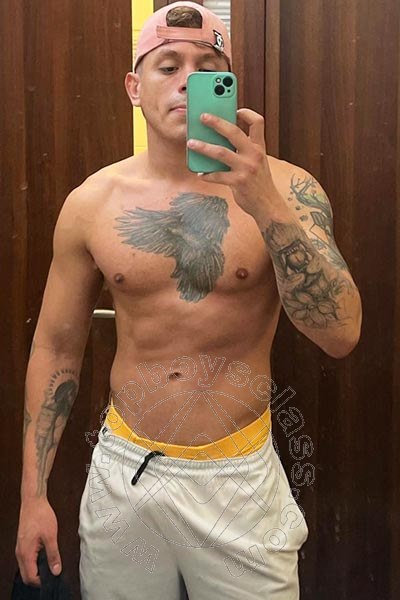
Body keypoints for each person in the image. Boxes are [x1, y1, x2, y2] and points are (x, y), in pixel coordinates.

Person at [15, 2, 362, 598]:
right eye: (168, 65)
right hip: (125, 475)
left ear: (227, 88)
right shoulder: (93, 203)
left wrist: (265, 204)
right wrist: (33, 495)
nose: (186, 81)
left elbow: (341, 334)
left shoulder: (289, 188)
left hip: (239, 479)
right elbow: (55, 348)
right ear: (135, 87)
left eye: (207, 69)